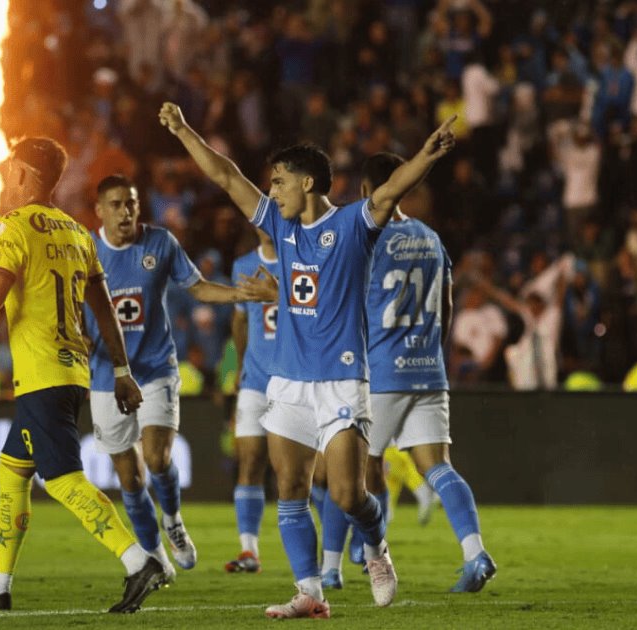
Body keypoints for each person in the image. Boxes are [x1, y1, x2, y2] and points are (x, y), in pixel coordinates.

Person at [159, 102, 455, 618]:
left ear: (310, 183)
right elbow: (227, 177)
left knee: (347, 494)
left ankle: (377, 550)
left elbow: (390, 191)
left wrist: (426, 155)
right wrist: (184, 131)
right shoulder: (280, 225)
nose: (270, 190)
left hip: (342, 381)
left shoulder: (351, 225)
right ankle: (309, 592)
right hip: (289, 381)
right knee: (291, 488)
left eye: (279, 181)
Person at [0, 138, 161, 614]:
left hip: (42, 373)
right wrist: (122, 370)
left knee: (63, 478)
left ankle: (137, 561)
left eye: (9, 170)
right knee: (12, 471)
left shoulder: (13, 226)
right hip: (72, 372)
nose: (5, 178)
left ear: (23, 173)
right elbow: (104, 309)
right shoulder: (77, 232)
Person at [84, 174, 271, 581]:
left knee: (157, 457)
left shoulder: (160, 243)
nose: (125, 211)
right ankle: (154, 555)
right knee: (129, 477)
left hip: (155, 367)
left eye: (131, 202)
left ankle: (173, 520)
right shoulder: (85, 252)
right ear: (99, 210)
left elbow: (198, 288)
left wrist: (240, 295)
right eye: (115, 204)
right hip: (105, 376)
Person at [358, 152, 496, 592]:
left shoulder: (369, 241)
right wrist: (434, 352)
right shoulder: (431, 238)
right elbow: (447, 303)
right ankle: (475, 553)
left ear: (369, 190)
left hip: (382, 370)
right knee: (437, 466)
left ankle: (372, 554)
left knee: (364, 464)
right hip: (428, 369)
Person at [224, 227, 281, 574]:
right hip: (255, 382)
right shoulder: (243, 266)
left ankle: (329, 558)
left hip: (294, 382)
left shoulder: (298, 260)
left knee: (306, 473)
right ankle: (249, 551)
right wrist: (241, 366)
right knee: (250, 462)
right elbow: (240, 321)